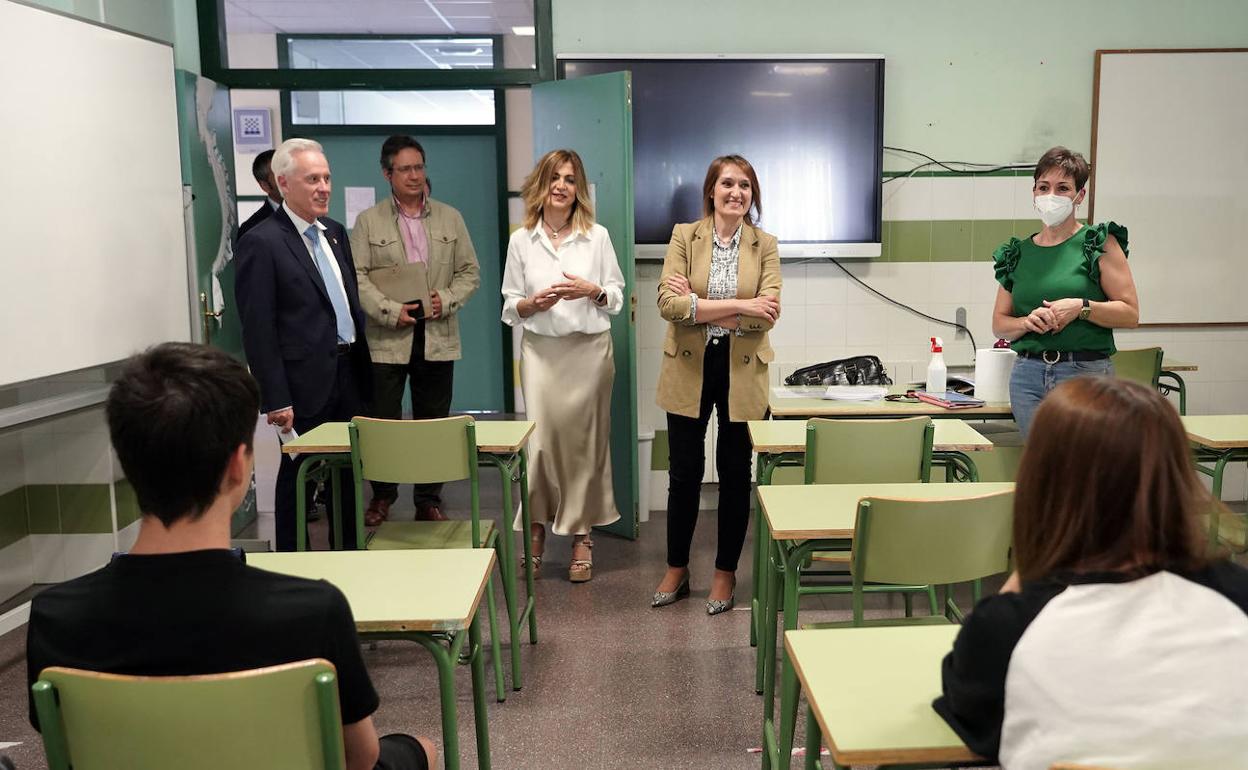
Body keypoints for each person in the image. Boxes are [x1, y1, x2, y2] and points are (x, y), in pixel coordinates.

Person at [25, 343, 434, 770]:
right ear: (238, 467)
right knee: (420, 747)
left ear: (128, 464)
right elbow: (361, 758)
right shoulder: (312, 611)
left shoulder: (57, 617)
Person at [934, 376, 1248, 769]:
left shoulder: (1007, 630)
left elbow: (969, 708)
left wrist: (1027, 573)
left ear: (1042, 482)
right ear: (1175, 476)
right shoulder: (1237, 599)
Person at [652, 154, 781, 615]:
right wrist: (738, 307)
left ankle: (725, 574)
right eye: (727, 183)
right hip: (689, 366)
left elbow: (768, 315)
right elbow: (668, 305)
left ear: (752, 195)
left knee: (733, 476)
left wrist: (701, 304)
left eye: (745, 185)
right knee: (683, 473)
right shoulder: (685, 236)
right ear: (711, 190)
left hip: (741, 370)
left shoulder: (765, 244)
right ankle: (677, 568)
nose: (736, 193)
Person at [234, 138, 372, 551]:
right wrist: (275, 397)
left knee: (349, 474)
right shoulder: (261, 242)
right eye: (312, 179)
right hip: (300, 385)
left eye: (327, 178)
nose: (324, 187)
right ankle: (296, 564)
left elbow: (345, 304)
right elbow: (258, 329)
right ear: (283, 184)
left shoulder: (334, 233)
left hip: (348, 374)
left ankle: (350, 557)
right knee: (299, 475)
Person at [501, 149, 625, 582]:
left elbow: (617, 296)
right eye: (554, 177)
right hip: (540, 357)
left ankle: (581, 538)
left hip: (589, 356)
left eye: (570, 179)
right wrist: (530, 304)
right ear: (540, 184)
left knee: (584, 450)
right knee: (539, 449)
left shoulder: (598, 236)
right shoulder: (521, 239)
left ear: (579, 189)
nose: (561, 186)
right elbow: (510, 303)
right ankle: (535, 534)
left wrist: (594, 291)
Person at [351, 135, 481, 525]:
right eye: (405, 169)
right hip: (387, 335)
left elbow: (469, 272)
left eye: (419, 167)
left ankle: (428, 498)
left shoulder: (449, 217)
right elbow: (355, 278)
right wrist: (390, 311)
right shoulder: (368, 221)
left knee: (434, 422)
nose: (414, 175)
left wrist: (447, 299)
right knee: (384, 422)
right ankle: (383, 497)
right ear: (387, 173)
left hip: (437, 332)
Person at [991, 146, 1140, 436]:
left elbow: (1130, 313)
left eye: (1063, 188)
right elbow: (1000, 324)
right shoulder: (1018, 253)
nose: (1051, 196)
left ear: (1079, 196)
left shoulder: (1098, 243)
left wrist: (1081, 307)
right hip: (1028, 377)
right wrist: (1025, 322)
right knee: (1043, 469)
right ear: (1033, 192)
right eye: (1043, 187)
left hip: (1084, 374)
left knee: (1085, 468)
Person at [238, 148, 282, 240]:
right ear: (265, 186)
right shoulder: (252, 229)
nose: (289, 178)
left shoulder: (315, 213)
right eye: (280, 175)